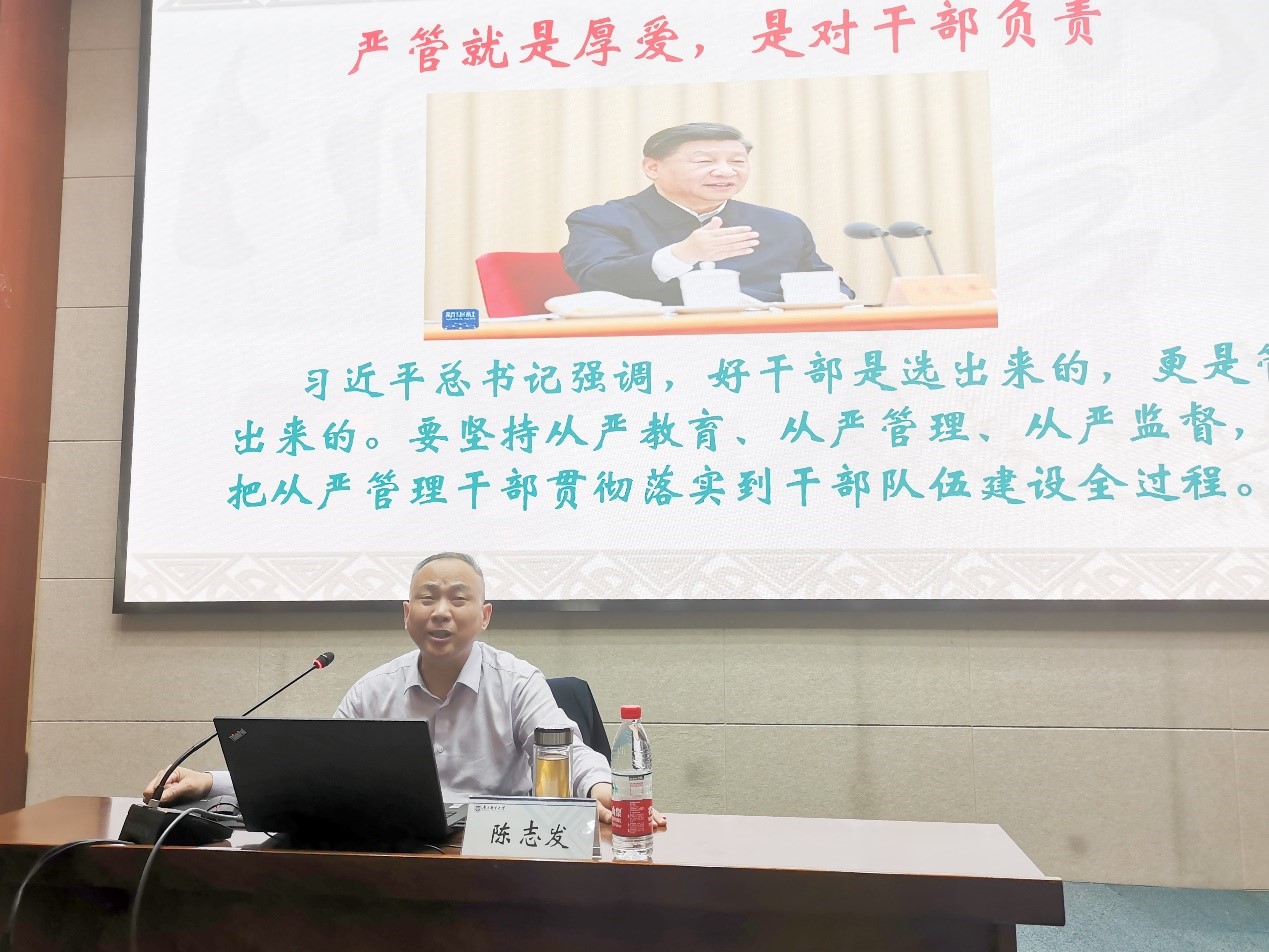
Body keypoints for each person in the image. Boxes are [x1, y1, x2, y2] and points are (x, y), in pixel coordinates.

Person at [144, 552, 666, 828]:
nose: (441, 612)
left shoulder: (516, 681)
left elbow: (569, 750)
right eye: (427, 598)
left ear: (484, 616)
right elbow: (314, 777)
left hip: (493, 854)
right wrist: (210, 782)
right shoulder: (373, 691)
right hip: (399, 853)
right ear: (406, 613)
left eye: (458, 599)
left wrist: (604, 791)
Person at [561, 121, 853, 306]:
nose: (725, 171)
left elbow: (828, 285)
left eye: (737, 161)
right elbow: (596, 280)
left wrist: (832, 298)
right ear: (653, 168)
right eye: (704, 161)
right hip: (657, 346)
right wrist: (681, 255)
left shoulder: (782, 224)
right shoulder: (601, 220)